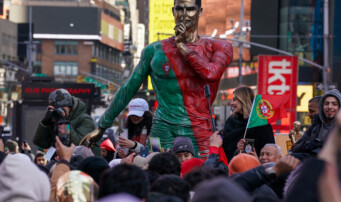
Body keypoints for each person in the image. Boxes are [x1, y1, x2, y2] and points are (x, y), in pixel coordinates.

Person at [80, 0, 233, 157]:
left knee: (199, 175)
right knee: (156, 172)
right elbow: (129, 88)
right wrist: (102, 126)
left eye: (190, 9)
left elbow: (211, 73)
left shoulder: (219, 47)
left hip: (198, 128)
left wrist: (182, 47)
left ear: (200, 12)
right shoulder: (153, 51)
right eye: (180, 9)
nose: (184, 15)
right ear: (173, 11)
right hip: (163, 128)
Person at [33, 89, 99, 155]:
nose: (59, 110)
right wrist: (45, 122)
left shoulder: (85, 120)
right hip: (62, 160)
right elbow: (40, 143)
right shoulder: (56, 119)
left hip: (83, 163)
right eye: (56, 107)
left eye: (62, 107)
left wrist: (64, 123)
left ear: (70, 106)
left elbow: (80, 146)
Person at [222, 85, 275, 162]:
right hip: (232, 168)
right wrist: (236, 150)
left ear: (244, 100)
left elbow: (270, 150)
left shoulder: (261, 123)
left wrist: (257, 159)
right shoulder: (230, 121)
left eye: (235, 99)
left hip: (255, 168)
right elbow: (225, 149)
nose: (232, 103)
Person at [291, 89, 341, 154]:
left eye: (334, 104)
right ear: (322, 107)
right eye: (326, 104)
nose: (330, 107)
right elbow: (295, 148)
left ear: (340, 107)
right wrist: (308, 145)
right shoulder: (316, 125)